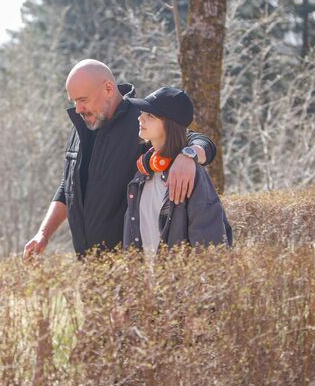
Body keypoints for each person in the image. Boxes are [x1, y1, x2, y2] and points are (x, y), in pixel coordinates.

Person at [23, 59, 217, 260]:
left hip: (130, 268)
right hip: (87, 267)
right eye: (74, 101)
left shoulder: (141, 121)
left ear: (108, 88)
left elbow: (199, 141)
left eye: (83, 100)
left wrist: (188, 156)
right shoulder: (81, 124)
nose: (78, 109)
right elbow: (70, 186)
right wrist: (43, 233)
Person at [123, 86, 232, 255]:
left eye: (150, 115)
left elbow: (211, 248)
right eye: (142, 113)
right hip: (147, 280)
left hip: (179, 280)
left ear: (169, 125)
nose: (140, 118)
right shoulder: (142, 174)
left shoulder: (191, 175)